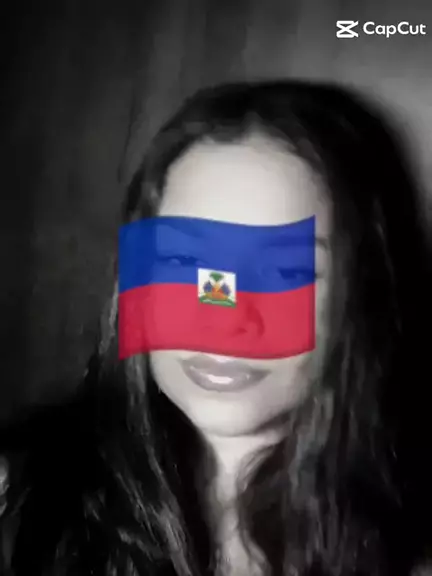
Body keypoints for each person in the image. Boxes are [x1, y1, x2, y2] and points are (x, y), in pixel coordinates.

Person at [1, 79, 432, 576]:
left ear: (360, 294)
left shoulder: (411, 543)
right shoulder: (17, 498)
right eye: (184, 261)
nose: (222, 318)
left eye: (284, 271)